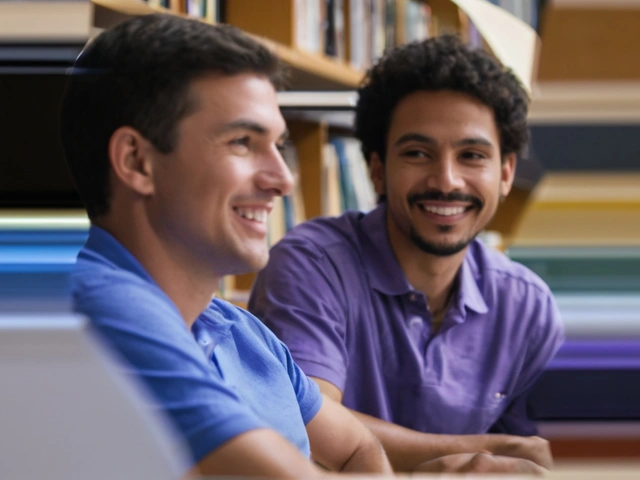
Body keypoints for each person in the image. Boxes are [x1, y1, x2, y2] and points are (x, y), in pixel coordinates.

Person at [61, 15, 545, 478]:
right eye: (242, 143)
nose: (284, 179)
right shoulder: (96, 306)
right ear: (136, 161)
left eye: (279, 145)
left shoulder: (244, 332)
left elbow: (358, 447)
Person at [249, 34, 565, 472]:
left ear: (506, 173)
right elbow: (309, 424)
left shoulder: (528, 306)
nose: (447, 180)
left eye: (472, 155)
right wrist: (488, 450)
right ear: (377, 169)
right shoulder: (312, 265)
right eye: (418, 153)